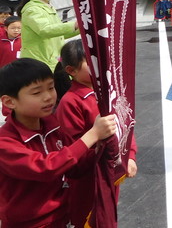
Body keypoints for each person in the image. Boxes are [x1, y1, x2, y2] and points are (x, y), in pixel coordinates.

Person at [0, 58, 117, 227]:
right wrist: (92, 135)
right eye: (36, 93)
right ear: (9, 102)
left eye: (50, 87)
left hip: (60, 217)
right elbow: (46, 168)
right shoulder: (5, 142)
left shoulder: (52, 126)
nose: (48, 97)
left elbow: (73, 168)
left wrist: (101, 150)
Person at [54, 40, 138, 228]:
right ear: (71, 71)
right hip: (88, 180)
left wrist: (129, 156)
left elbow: (125, 125)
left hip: (110, 172)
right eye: (91, 63)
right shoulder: (70, 102)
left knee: (107, 215)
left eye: (100, 61)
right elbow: (73, 152)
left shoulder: (109, 92)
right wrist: (102, 150)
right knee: (89, 218)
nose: (99, 67)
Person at [16, 0, 79, 71]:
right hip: (39, 60)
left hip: (52, 60)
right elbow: (45, 30)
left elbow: (58, 34)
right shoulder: (32, 9)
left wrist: (80, 29)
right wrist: (73, 25)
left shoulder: (48, 7)